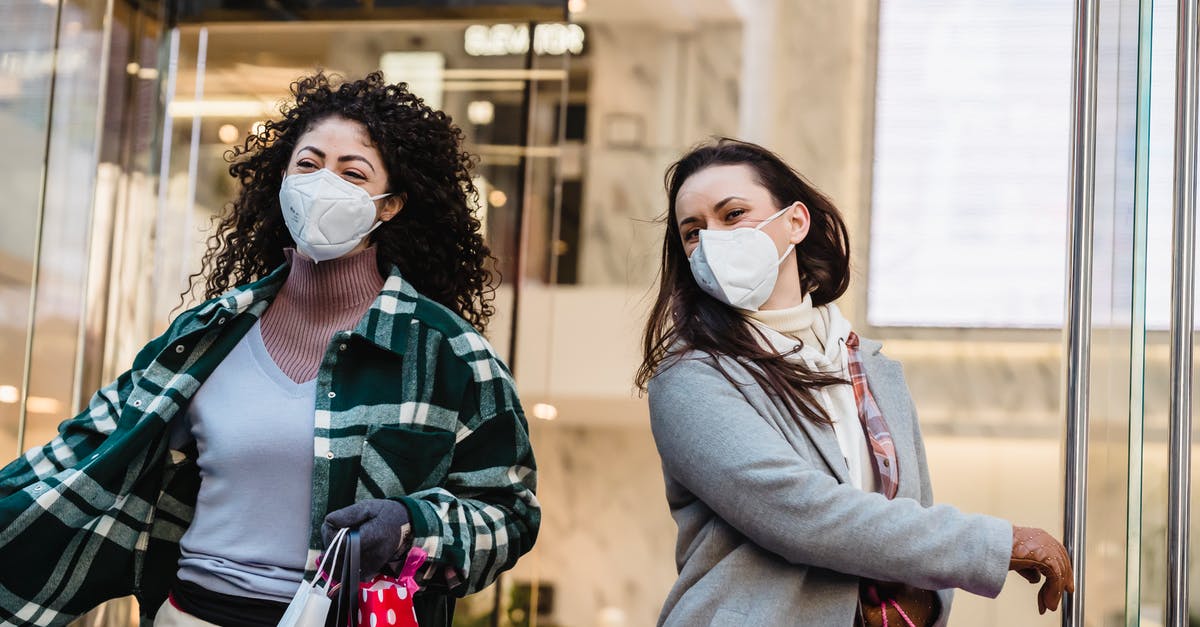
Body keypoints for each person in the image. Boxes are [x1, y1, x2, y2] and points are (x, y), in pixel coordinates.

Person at [0, 72, 539, 627]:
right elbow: (87, 448)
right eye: (307, 165)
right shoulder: (209, 333)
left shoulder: (450, 353)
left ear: (391, 205)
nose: (322, 183)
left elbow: (511, 513)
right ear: (282, 177)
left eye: (352, 173)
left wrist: (409, 524)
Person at [637, 138, 1073, 626]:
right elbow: (801, 514)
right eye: (693, 231)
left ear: (795, 222)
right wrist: (993, 544)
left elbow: (909, 520)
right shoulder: (691, 376)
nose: (712, 240)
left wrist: (924, 603)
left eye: (733, 214)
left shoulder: (873, 369)